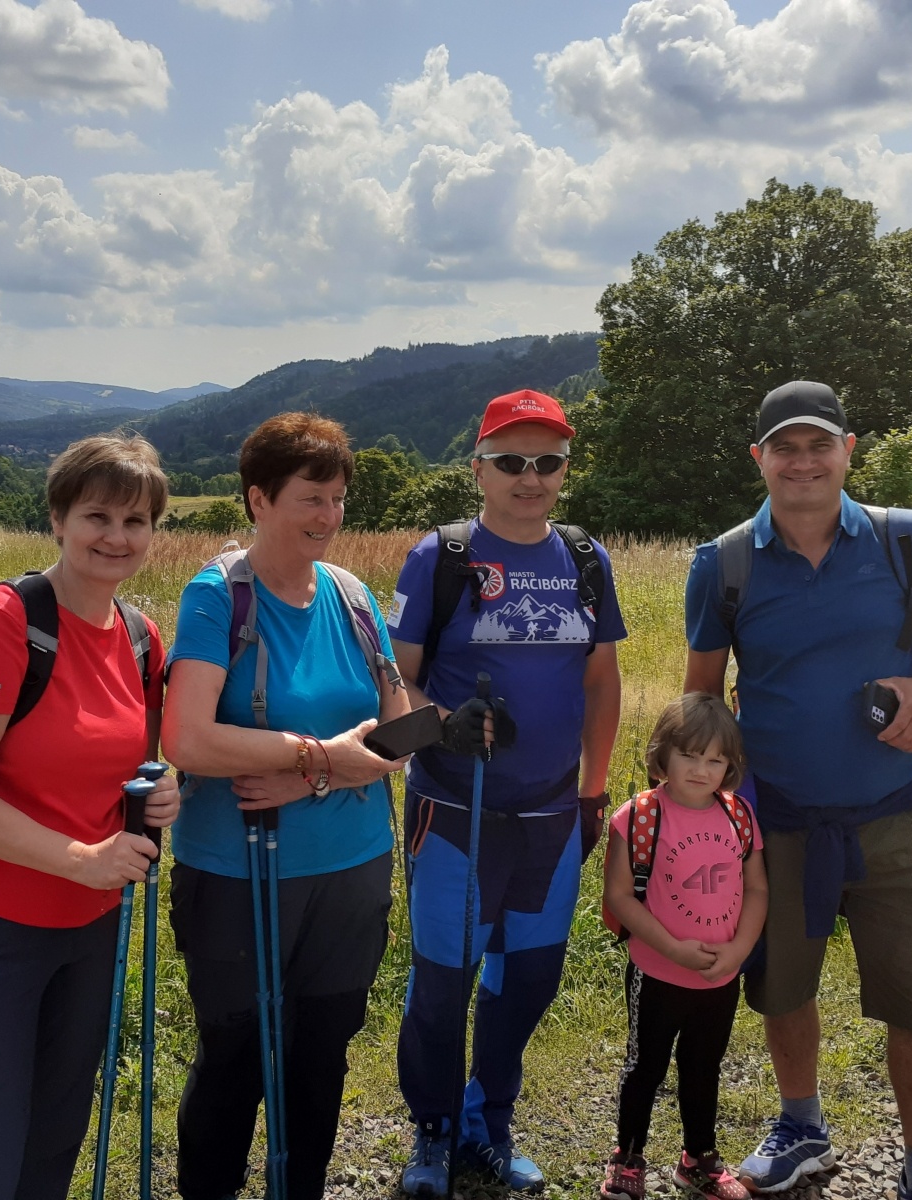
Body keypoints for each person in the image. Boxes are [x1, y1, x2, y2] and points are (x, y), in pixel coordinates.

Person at [684, 381, 912, 1200]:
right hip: (778, 821)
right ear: (759, 458)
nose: (803, 462)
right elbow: (702, 697)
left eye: (818, 445)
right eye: (784, 448)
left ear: (848, 451)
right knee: (781, 991)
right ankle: (803, 1129)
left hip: (899, 815)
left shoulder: (906, 539)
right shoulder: (723, 563)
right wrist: (691, 810)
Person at [0, 435, 181, 1200]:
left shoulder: (140, 638)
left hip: (91, 933)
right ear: (58, 519)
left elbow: (128, 768)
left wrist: (160, 793)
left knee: (50, 1154)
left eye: (136, 521)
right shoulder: (4, 622)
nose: (117, 536)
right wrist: (81, 859)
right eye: (97, 515)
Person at [161, 412, 411, 1200]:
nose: (328, 516)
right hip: (237, 874)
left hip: (351, 870)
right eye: (311, 498)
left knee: (321, 1055)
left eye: (337, 499)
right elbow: (187, 738)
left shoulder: (352, 594)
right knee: (234, 1055)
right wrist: (324, 755)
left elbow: (402, 733)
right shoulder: (218, 598)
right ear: (258, 499)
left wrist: (312, 774)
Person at [387, 389, 626, 1196]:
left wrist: (593, 794)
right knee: (442, 983)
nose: (531, 477)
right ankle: (432, 1128)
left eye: (548, 461)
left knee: (527, 980)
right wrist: (442, 726)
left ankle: (488, 1121)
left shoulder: (586, 559)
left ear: (565, 469)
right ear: (479, 468)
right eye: (512, 461)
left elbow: (603, 681)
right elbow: (395, 681)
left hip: (552, 814)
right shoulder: (441, 558)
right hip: (456, 810)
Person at [599, 693, 766, 1200]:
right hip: (656, 974)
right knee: (644, 1068)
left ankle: (698, 1160)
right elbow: (618, 896)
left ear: (731, 765)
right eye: (690, 755)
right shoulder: (639, 817)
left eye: (715, 759)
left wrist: (739, 951)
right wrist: (672, 949)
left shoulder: (739, 815)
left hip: (720, 976)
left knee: (703, 1068)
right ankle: (628, 1158)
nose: (701, 769)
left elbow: (757, 889)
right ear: (662, 754)